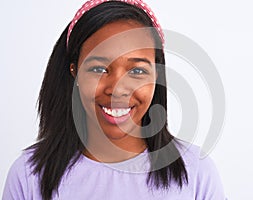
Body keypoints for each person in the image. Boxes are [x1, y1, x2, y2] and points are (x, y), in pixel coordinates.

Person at [2, 0, 226, 199]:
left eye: (137, 71)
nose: (117, 90)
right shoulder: (28, 175)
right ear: (75, 71)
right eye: (99, 68)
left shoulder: (197, 171)